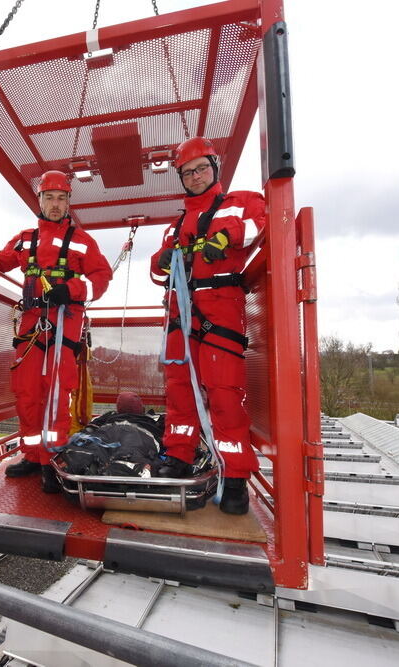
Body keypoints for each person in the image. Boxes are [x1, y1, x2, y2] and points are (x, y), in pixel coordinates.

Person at [0, 170, 112, 491]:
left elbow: (101, 278)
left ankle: (53, 461)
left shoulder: (83, 242)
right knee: (27, 392)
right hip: (32, 325)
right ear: (40, 201)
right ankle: (33, 455)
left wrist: (72, 289)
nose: (56, 204)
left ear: (69, 202)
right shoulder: (25, 239)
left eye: (61, 198)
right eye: (50, 198)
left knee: (56, 393)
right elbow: (2, 260)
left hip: (64, 324)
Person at [150, 136, 265, 515]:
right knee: (179, 391)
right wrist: (164, 258)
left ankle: (235, 478)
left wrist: (225, 237)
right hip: (181, 313)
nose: (196, 177)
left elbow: (260, 223)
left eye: (201, 169)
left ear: (214, 168)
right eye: (188, 172)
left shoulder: (241, 203)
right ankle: (178, 457)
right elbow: (157, 267)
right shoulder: (178, 222)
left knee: (225, 394)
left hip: (221, 309)